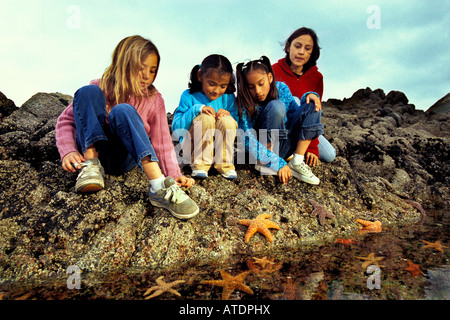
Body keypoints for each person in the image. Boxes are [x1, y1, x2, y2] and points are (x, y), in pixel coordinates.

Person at [55, 35, 199, 220]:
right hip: (93, 154)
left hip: (124, 157)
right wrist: (68, 151)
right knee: (87, 92)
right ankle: (91, 167)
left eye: (152, 70)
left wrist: (173, 174)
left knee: (123, 111)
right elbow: (67, 121)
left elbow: (162, 142)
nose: (147, 75)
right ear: (123, 64)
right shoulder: (100, 85)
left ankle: (158, 186)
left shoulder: (154, 99)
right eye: (141, 69)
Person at [236, 56, 324, 185]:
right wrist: (277, 163)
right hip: (263, 152)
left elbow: (296, 114)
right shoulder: (245, 102)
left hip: (284, 144)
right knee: (276, 106)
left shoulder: (281, 89)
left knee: (312, 103)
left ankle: (297, 162)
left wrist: (309, 97)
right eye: (251, 87)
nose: (257, 91)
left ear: (270, 78)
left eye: (261, 84)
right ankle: (266, 164)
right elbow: (247, 139)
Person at [272, 27, 336, 166]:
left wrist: (312, 148)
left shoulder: (317, 78)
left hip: (303, 126)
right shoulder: (273, 70)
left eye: (308, 48)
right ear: (288, 47)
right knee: (293, 100)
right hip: (280, 127)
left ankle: (299, 150)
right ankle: (288, 149)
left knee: (330, 155)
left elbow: (315, 111)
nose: (301, 52)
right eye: (297, 46)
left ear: (312, 53)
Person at [172, 54, 239, 179]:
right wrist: (197, 109)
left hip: (218, 148)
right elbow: (176, 129)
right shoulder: (188, 96)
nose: (217, 90)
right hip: (192, 149)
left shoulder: (228, 98)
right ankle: (200, 165)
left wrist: (228, 115)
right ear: (199, 76)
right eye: (212, 84)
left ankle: (224, 164)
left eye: (222, 86)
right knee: (206, 118)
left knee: (227, 121)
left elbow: (236, 123)